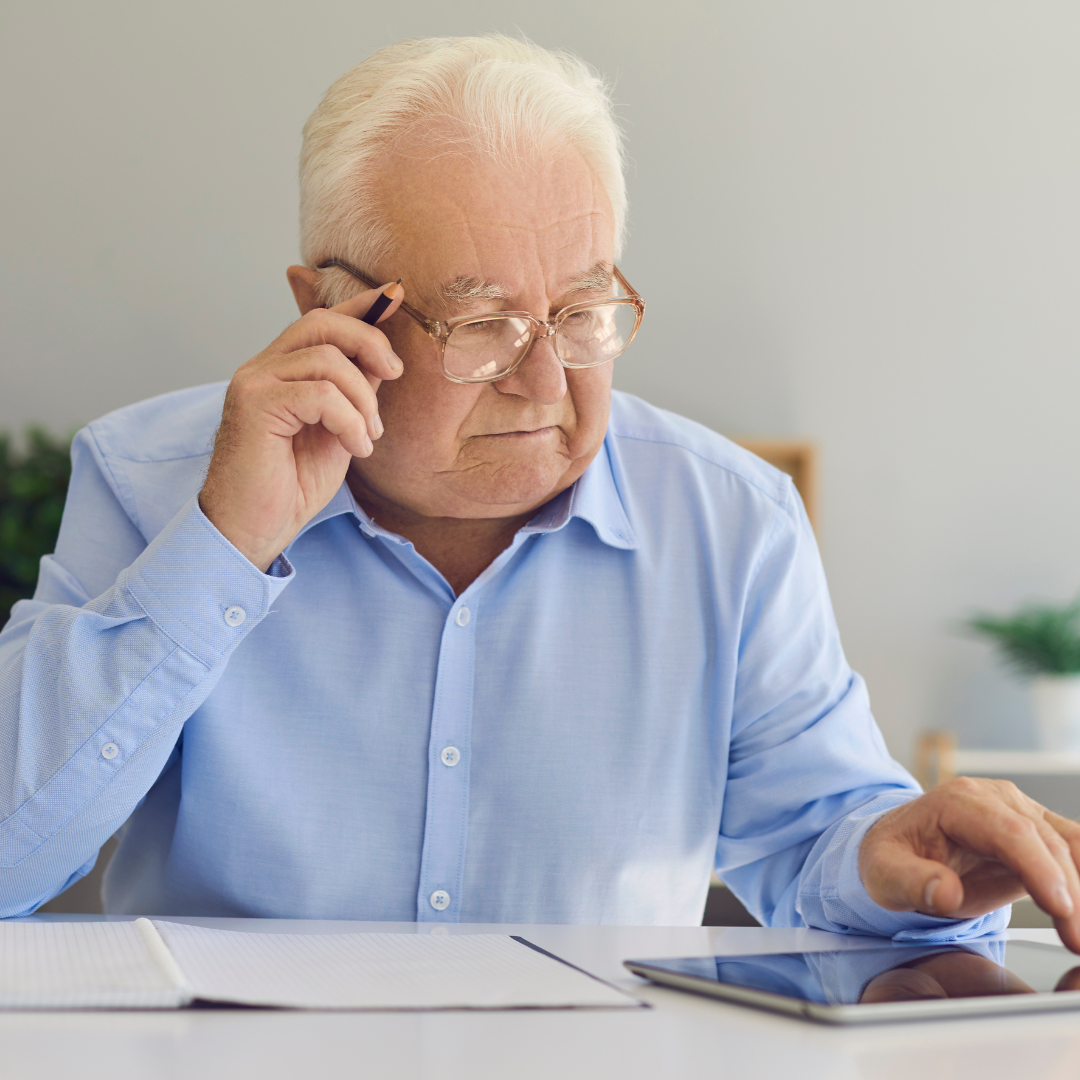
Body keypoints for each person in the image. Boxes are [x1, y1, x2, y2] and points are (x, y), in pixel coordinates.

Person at [2, 36, 1079, 947]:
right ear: (328, 306)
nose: (546, 376)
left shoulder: (732, 521)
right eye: (478, 324)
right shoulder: (151, 479)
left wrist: (892, 861)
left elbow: (817, 841)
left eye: (581, 310)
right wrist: (221, 549)